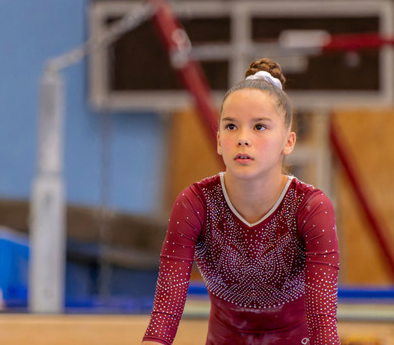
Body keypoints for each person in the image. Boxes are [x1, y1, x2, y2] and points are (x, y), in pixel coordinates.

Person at [142, 58, 340, 345]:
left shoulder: (310, 208)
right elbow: (164, 316)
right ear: (219, 140)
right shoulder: (196, 204)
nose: (243, 139)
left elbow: (324, 326)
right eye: (232, 126)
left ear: (288, 141)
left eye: (259, 127)